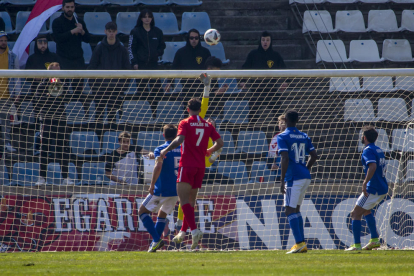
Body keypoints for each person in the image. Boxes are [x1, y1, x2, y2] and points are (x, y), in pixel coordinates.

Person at [159, 98, 223, 250]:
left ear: (188, 109)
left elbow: (180, 139)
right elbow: (220, 143)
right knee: (191, 200)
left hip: (187, 165)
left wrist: (166, 150)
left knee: (183, 201)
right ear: (200, 110)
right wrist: (209, 151)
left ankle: (194, 231)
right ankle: (183, 231)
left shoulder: (185, 123)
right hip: (200, 167)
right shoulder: (207, 124)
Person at [278, 109, 317, 254]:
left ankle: (299, 243)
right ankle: (302, 243)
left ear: (286, 120)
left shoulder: (282, 136)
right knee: (296, 209)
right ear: (297, 121)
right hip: (305, 176)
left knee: (289, 210)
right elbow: (314, 155)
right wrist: (306, 168)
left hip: (293, 178)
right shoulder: (304, 135)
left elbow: (285, 158)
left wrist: (282, 180)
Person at [138, 124, 181, 252]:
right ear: (177, 136)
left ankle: (156, 240)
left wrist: (152, 184)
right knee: (162, 214)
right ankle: (154, 244)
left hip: (162, 189)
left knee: (142, 211)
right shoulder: (183, 148)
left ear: (163, 135)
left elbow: (158, 167)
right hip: (177, 189)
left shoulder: (161, 149)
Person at [345, 126, 388, 251]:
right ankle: (374, 239)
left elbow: (373, 166)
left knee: (355, 213)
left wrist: (365, 182)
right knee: (366, 210)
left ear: (364, 137)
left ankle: (356, 245)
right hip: (382, 187)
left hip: (372, 188)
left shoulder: (367, 150)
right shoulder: (378, 149)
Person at [34, 62, 73, 185]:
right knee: (44, 148)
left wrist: (61, 87)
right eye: (54, 71)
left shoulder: (64, 84)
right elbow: (38, 104)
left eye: (59, 71)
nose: (57, 74)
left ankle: (65, 177)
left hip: (61, 119)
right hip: (46, 119)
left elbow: (68, 99)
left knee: (62, 149)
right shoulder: (42, 85)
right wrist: (48, 95)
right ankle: (42, 177)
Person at [88, 22, 130, 124]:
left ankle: (111, 139)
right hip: (100, 89)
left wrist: (122, 87)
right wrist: (94, 86)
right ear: (105, 32)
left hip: (116, 89)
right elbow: (92, 67)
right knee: (99, 117)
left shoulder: (122, 50)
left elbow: (127, 69)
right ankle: (99, 139)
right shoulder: (99, 48)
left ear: (116, 32)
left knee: (113, 118)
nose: (111, 34)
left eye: (113, 32)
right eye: (109, 31)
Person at [241, 31, 288, 122]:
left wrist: (286, 81)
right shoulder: (253, 54)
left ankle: (279, 133)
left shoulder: (275, 55)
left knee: (278, 114)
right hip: (256, 90)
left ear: (271, 41)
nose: (265, 42)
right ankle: (251, 133)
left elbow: (284, 69)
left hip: (271, 90)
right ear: (260, 41)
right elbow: (245, 67)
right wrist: (243, 81)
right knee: (252, 115)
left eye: (267, 40)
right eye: (263, 40)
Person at [52, 0, 90, 103]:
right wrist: (72, 32)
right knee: (63, 90)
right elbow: (57, 38)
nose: (70, 9)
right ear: (63, 8)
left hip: (78, 59)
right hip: (63, 58)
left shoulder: (79, 21)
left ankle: (79, 113)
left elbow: (88, 39)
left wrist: (82, 31)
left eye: (72, 7)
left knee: (78, 91)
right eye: (67, 7)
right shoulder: (57, 22)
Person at [128, 9, 165, 115]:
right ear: (141, 18)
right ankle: (144, 116)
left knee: (157, 91)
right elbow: (131, 48)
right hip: (140, 66)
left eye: (149, 16)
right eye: (145, 16)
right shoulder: (135, 32)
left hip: (154, 65)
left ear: (152, 18)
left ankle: (155, 113)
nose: (147, 18)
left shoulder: (157, 31)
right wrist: (134, 62)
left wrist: (157, 53)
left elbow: (162, 46)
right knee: (143, 92)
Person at [165, 29, 211, 101]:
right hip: (186, 87)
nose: (194, 40)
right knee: (188, 111)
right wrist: (169, 82)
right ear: (188, 39)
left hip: (201, 87)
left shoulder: (205, 52)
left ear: (199, 39)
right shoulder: (181, 52)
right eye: (191, 38)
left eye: (196, 38)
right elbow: (174, 68)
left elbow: (209, 69)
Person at [24, 36, 59, 103]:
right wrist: (35, 78)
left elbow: (61, 72)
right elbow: (26, 76)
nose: (43, 45)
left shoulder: (54, 57)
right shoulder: (31, 58)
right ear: (36, 44)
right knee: (38, 112)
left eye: (45, 43)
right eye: (40, 43)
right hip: (37, 90)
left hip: (53, 89)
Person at [0, 31, 19, 153]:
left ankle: (6, 143)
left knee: (6, 122)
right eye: (1, 40)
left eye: (5, 40)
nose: (3, 42)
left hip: (6, 95)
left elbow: (17, 76)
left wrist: (17, 92)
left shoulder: (12, 56)